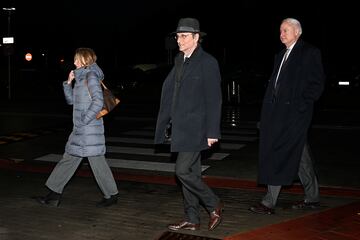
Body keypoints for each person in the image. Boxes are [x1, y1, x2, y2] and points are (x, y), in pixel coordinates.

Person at [249, 18, 325, 215]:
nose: (281, 34)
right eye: (280, 31)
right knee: (299, 154)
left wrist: (300, 106)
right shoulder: (280, 55)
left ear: (297, 32)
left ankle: (268, 202)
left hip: (295, 115)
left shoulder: (309, 52)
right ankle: (313, 197)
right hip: (277, 116)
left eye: (285, 30)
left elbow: (317, 84)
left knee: (279, 152)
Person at [154, 18, 224, 231]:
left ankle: (214, 203)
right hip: (181, 127)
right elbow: (172, 91)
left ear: (196, 38)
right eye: (177, 36)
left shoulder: (208, 62)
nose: (179, 39)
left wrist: (212, 131)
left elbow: (214, 99)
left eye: (184, 36)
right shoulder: (179, 60)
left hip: (198, 128)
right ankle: (192, 218)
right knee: (190, 175)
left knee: (182, 171)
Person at [34, 48, 119, 208]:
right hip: (82, 130)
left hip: (88, 130)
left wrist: (83, 120)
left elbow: (98, 102)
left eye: (76, 59)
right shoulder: (81, 78)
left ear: (84, 59)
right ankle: (54, 194)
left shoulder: (91, 76)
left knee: (95, 161)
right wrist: (68, 83)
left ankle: (111, 195)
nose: (73, 62)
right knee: (71, 159)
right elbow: (71, 101)